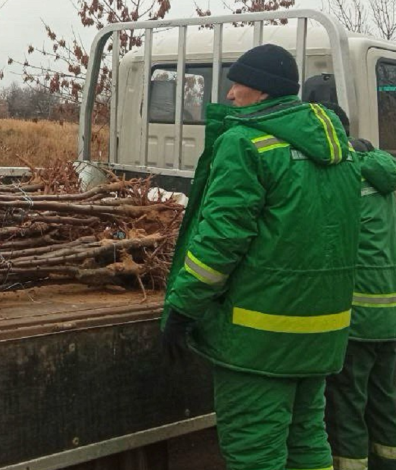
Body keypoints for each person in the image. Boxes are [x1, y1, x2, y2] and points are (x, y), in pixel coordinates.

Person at [161, 44, 361, 470]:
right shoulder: (341, 152)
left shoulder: (246, 144)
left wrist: (182, 307)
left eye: (239, 83)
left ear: (264, 91)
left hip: (257, 341)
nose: (230, 94)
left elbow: (218, 245)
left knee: (255, 453)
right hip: (320, 336)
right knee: (307, 442)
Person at [320, 103, 396, 470]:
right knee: (386, 404)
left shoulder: (341, 180)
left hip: (357, 320)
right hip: (392, 321)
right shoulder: (388, 179)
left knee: (347, 408)